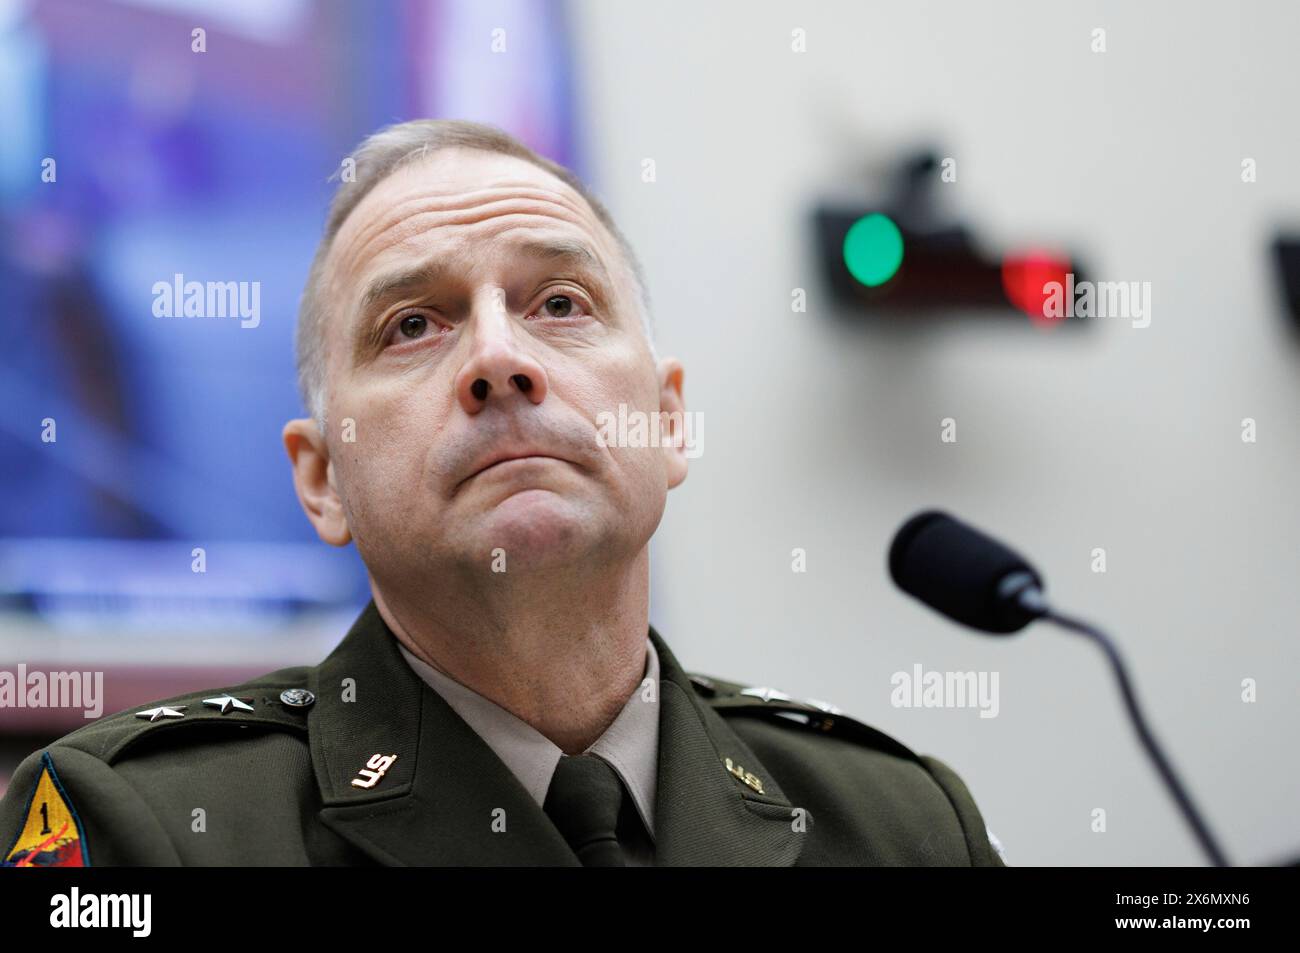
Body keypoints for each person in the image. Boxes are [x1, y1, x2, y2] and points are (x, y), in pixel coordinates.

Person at [0, 119, 1006, 867]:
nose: (497, 357)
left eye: (560, 304)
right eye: (412, 325)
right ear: (322, 479)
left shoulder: (901, 827)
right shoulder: (145, 828)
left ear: (665, 423)